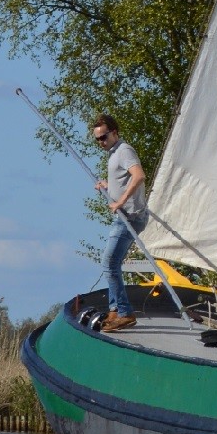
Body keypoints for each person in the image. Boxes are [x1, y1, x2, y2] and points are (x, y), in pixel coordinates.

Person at [87, 111, 146, 332]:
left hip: (130, 217)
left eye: (104, 137)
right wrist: (107, 186)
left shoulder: (124, 151)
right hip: (124, 217)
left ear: (114, 132)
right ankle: (114, 309)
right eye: (97, 139)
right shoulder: (114, 153)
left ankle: (124, 312)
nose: (101, 142)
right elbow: (123, 179)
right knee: (112, 263)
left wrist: (120, 201)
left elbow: (139, 175)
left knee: (109, 263)